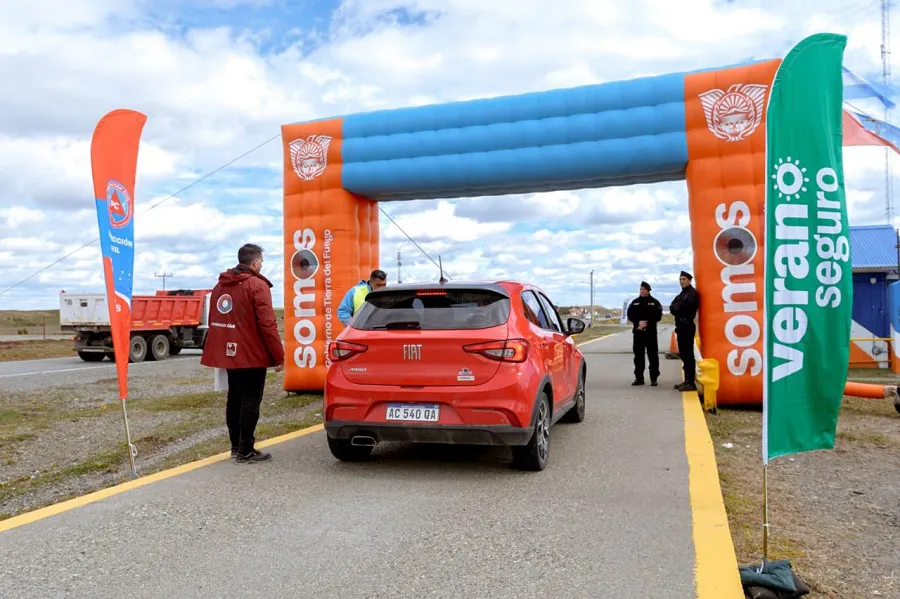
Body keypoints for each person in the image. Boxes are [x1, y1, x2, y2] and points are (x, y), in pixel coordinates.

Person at [201, 243, 285, 464]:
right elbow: (268, 324)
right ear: (255, 263)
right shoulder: (257, 286)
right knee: (250, 400)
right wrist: (279, 355)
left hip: (230, 353)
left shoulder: (220, 286)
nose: (262, 266)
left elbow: (215, 321)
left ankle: (236, 446)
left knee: (235, 397)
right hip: (252, 354)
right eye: (262, 262)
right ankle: (246, 450)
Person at [627, 281, 663, 386]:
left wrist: (647, 323)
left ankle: (654, 378)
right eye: (641, 289)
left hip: (650, 333)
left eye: (644, 289)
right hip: (638, 333)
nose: (642, 291)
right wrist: (638, 323)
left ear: (648, 291)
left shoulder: (654, 302)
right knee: (638, 356)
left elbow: (658, 316)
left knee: (653, 356)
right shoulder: (635, 302)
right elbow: (630, 315)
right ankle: (639, 378)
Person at [669, 270, 700, 392]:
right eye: (680, 279)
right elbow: (672, 307)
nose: (682, 281)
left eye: (684, 279)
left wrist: (678, 306)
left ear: (689, 280)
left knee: (688, 355)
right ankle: (687, 381)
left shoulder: (692, 294)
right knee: (683, 354)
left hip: (687, 325)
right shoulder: (682, 294)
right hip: (681, 326)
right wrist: (678, 306)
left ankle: (690, 382)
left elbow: (684, 307)